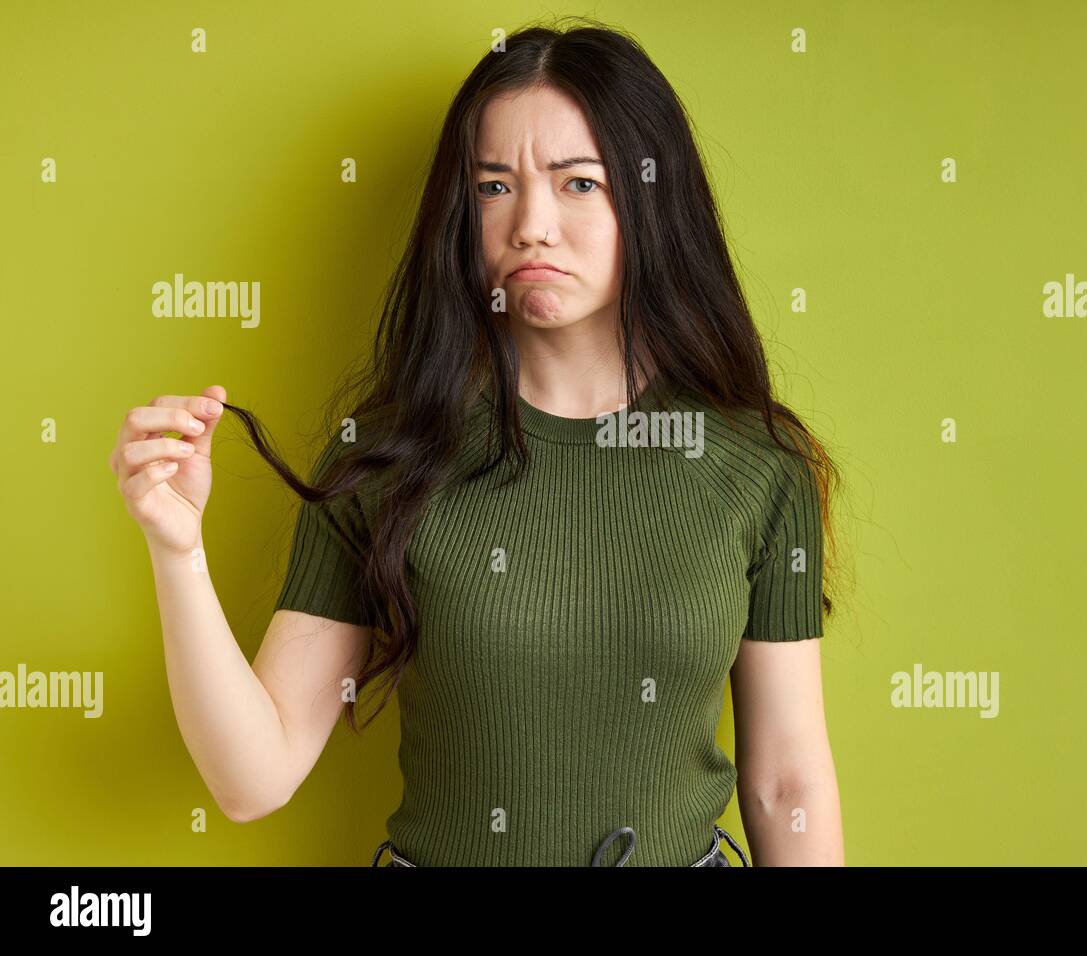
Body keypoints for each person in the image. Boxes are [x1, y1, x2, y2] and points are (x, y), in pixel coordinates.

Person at [108, 17, 844, 867]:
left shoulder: (756, 469)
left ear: (649, 195)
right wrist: (177, 551)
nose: (530, 223)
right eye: (495, 187)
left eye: (578, 184)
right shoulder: (390, 459)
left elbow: (788, 780)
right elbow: (253, 777)